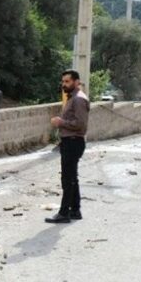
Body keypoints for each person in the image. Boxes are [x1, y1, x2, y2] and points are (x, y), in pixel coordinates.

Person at [46, 69, 90, 223]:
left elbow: (80, 124)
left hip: (73, 141)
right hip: (70, 141)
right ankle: (75, 210)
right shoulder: (72, 98)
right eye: (63, 81)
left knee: (67, 179)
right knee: (72, 178)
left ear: (76, 82)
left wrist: (60, 122)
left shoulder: (78, 99)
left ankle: (64, 213)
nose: (64, 84)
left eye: (67, 81)